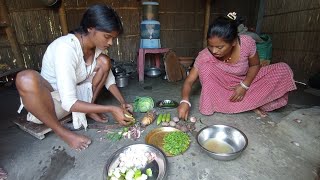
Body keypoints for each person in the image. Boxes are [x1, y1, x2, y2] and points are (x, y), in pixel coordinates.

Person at [15, 4, 134, 151]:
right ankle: (64, 133)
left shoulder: (95, 49)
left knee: (104, 61)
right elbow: (68, 102)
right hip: (51, 107)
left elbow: (109, 79)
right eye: (107, 36)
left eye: (113, 38)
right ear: (90, 28)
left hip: (75, 99)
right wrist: (111, 108)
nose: (110, 42)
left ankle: (89, 108)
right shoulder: (66, 48)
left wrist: (122, 103)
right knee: (25, 78)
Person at [177, 12, 297, 120]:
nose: (214, 51)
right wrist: (185, 100)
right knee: (206, 67)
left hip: (246, 83)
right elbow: (189, 81)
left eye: (220, 47)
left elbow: (255, 65)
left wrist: (244, 86)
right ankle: (249, 104)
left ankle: (249, 102)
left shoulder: (246, 43)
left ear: (234, 42)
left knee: (283, 69)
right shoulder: (205, 55)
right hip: (222, 90)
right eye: (210, 45)